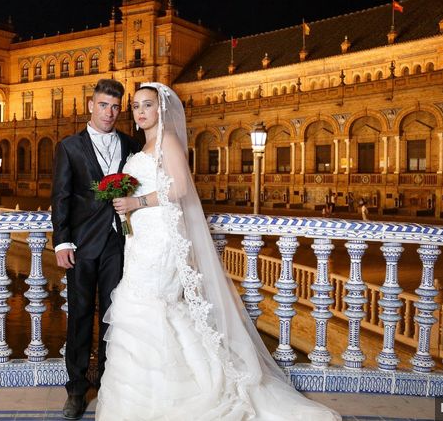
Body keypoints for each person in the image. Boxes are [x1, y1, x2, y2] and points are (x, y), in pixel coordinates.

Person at [98, 83, 340, 421]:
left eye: (147, 105)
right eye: (136, 106)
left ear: (160, 110)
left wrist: (137, 202)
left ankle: (179, 396)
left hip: (162, 239)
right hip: (141, 238)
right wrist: (126, 208)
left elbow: (180, 188)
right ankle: (146, 399)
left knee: (150, 304)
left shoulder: (166, 140)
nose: (140, 112)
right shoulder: (144, 145)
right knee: (141, 306)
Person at [51, 78, 140, 420]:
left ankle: (106, 382)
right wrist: (61, 241)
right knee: (80, 316)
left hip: (119, 243)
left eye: (115, 107)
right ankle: (75, 390)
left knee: (113, 317)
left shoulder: (130, 144)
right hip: (82, 245)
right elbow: (60, 197)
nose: (109, 112)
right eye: (103, 105)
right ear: (90, 105)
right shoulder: (70, 147)